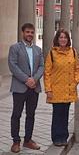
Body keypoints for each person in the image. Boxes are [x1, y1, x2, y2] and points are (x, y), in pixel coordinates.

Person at [8, 23, 44, 153]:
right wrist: (26, 79)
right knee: (16, 114)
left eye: (32, 32)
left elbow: (41, 66)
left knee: (31, 114)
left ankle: (28, 140)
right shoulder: (15, 48)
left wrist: (34, 79)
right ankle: (16, 141)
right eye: (27, 32)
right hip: (19, 87)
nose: (30, 34)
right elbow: (13, 65)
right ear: (22, 33)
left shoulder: (38, 50)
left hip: (34, 87)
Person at [44, 29, 79, 147]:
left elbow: (77, 69)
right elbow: (47, 72)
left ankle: (64, 136)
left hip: (69, 89)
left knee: (65, 113)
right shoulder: (52, 53)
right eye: (61, 37)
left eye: (65, 37)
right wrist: (48, 89)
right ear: (57, 39)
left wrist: (76, 81)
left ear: (68, 39)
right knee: (57, 114)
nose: (63, 39)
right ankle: (56, 137)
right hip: (56, 89)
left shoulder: (73, 52)